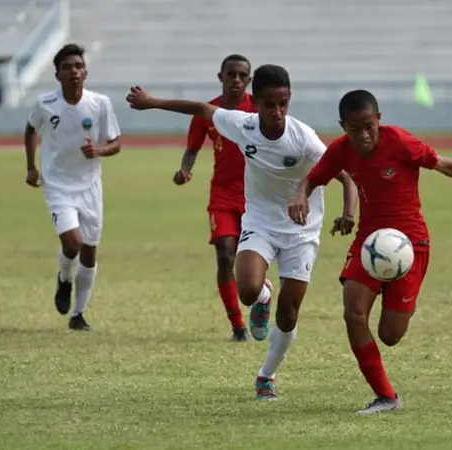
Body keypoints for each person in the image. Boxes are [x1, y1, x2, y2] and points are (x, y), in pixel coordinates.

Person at [126, 64, 358, 400]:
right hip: (260, 223)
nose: (277, 112)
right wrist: (152, 102)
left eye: (283, 104)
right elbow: (202, 109)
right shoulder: (243, 125)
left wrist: (348, 213)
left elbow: (346, 175)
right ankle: (263, 295)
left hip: (301, 231)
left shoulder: (303, 137)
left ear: (289, 100)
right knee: (247, 290)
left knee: (289, 313)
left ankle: (267, 375)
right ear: (256, 104)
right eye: (269, 105)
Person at [289, 90, 452, 414]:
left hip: (409, 244)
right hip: (369, 241)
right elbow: (313, 179)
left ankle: (404, 302)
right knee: (353, 313)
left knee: (390, 335)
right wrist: (301, 195)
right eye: (356, 129)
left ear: (379, 119)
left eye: (370, 125)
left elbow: (446, 165)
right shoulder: (340, 151)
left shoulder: (400, 141)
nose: (365, 135)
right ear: (344, 127)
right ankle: (386, 397)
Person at [24, 43, 122, 331]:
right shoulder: (45, 104)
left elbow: (115, 143)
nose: (74, 71)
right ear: (58, 74)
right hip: (57, 185)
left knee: (89, 252)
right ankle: (64, 279)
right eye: (67, 67)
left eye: (78, 66)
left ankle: (78, 315)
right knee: (73, 243)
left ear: (86, 72)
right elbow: (31, 129)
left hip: (90, 187)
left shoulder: (100, 103)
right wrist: (31, 166)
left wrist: (99, 151)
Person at [177, 54, 256, 342]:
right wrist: (185, 170)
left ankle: (262, 299)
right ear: (220, 77)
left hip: (256, 197)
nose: (236, 80)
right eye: (231, 74)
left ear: (249, 80)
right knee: (225, 254)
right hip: (222, 194)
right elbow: (192, 150)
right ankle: (237, 325)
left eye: (242, 75)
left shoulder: (258, 108)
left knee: (254, 261)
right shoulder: (207, 113)